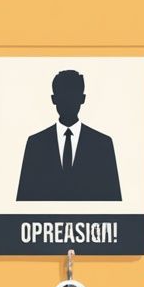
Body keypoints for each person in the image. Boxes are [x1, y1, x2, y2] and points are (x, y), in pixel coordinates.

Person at [16, 70, 122, 202]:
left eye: (73, 96)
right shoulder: (36, 144)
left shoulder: (102, 144)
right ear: (54, 99)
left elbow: (114, 203)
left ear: (82, 99)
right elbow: (23, 201)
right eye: (63, 96)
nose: (68, 102)